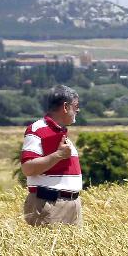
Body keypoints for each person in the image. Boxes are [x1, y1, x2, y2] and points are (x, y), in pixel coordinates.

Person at [21, 85, 83, 226]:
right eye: (76, 106)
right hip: (50, 204)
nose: (78, 110)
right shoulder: (37, 129)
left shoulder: (60, 133)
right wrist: (58, 155)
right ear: (65, 107)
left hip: (70, 204)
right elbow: (27, 168)